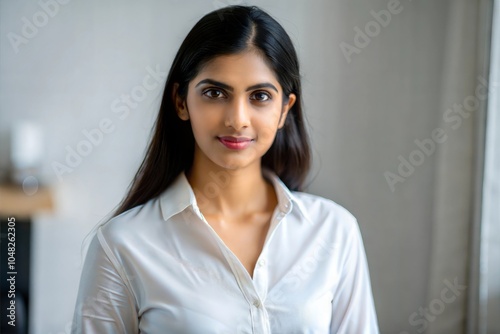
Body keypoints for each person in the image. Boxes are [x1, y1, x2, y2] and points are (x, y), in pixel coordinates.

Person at [71, 5, 379, 333]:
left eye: (260, 96)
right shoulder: (122, 245)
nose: (237, 119)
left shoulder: (334, 232)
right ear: (180, 101)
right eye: (215, 93)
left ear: (284, 110)